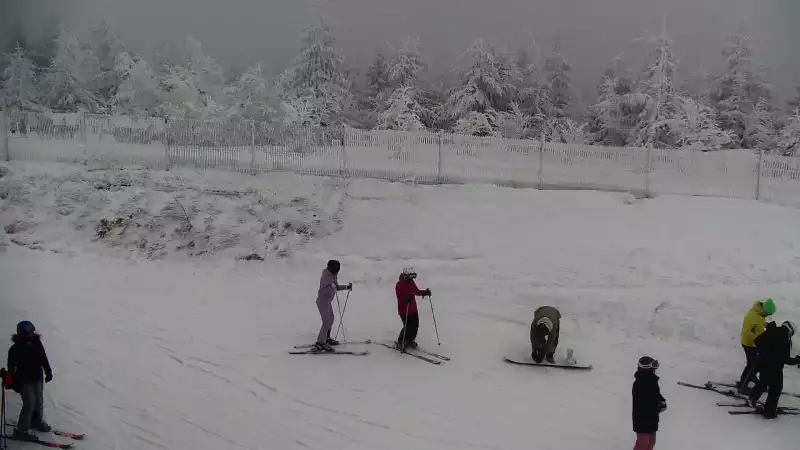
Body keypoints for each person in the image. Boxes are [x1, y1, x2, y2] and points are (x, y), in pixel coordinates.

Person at [7, 321, 53, 442]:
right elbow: (11, 367)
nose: (30, 334)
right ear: (21, 334)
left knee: (38, 401)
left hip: (37, 377)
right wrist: (13, 383)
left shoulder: (37, 343)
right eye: (27, 333)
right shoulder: (15, 349)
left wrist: (48, 372)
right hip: (24, 381)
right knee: (29, 404)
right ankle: (22, 431)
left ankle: (35, 421)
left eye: (32, 332)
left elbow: (43, 358)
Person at [748, 321, 800, 418]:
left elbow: (757, 341)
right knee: (776, 389)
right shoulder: (785, 340)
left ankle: (752, 398)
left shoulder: (771, 330)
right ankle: (769, 412)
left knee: (763, 382)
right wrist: (797, 360)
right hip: (775, 369)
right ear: (790, 330)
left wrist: (764, 353)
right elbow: (785, 359)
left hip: (762, 364)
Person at [313, 260, 352, 353]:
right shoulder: (326, 277)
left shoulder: (333, 275)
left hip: (327, 302)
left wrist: (346, 287)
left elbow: (336, 287)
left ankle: (326, 338)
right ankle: (320, 343)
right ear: (332, 269)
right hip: (322, 302)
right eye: (337, 270)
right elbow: (323, 291)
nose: (337, 272)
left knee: (331, 319)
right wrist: (331, 287)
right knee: (326, 322)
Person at [738, 298, 776, 394]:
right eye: (768, 314)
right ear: (765, 310)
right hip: (749, 344)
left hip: (753, 344)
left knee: (752, 365)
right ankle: (743, 386)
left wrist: (765, 325)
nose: (768, 316)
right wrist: (759, 338)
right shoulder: (753, 316)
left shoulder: (758, 313)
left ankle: (745, 381)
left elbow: (758, 324)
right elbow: (747, 333)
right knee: (752, 365)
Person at [632, 356, 666, 450]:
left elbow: (656, 395)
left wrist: (661, 401)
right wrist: (656, 406)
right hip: (642, 419)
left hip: (652, 418)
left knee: (651, 442)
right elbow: (643, 402)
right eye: (653, 368)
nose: (655, 370)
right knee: (642, 444)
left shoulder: (653, 382)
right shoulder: (639, 383)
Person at [394, 267, 431, 351]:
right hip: (404, 309)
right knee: (407, 327)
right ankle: (401, 342)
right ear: (406, 276)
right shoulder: (400, 284)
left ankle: (410, 340)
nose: (412, 279)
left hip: (413, 309)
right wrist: (406, 299)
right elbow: (399, 296)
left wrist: (425, 292)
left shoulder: (411, 282)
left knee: (415, 326)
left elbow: (416, 291)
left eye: (413, 277)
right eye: (410, 277)